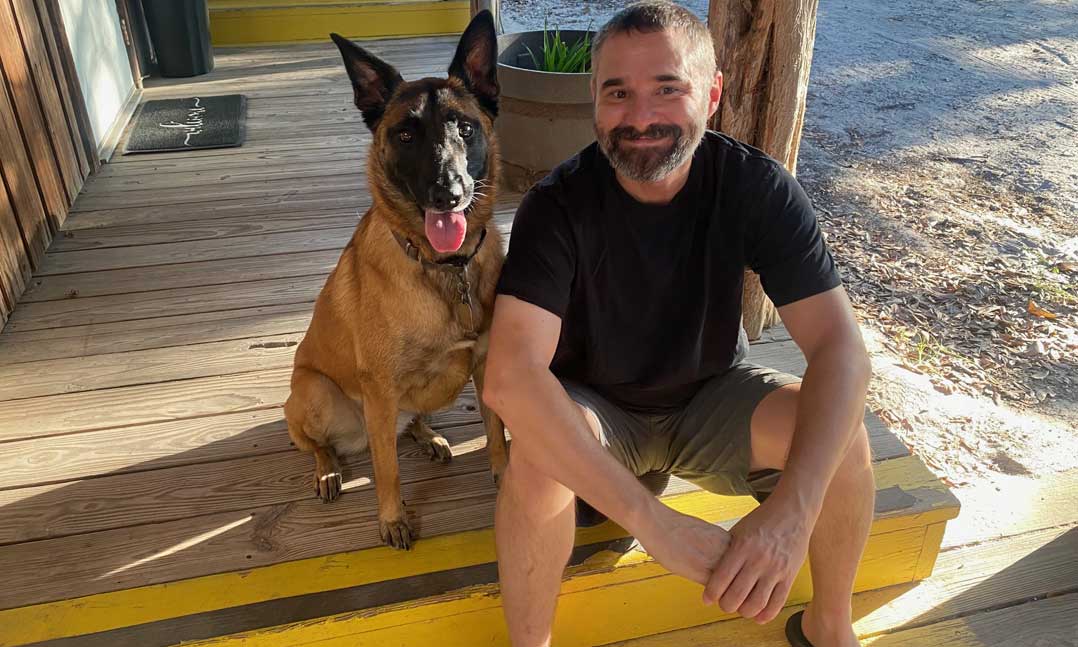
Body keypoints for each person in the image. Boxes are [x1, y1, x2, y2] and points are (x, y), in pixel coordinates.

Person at [481, 3, 874, 646]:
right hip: (599, 408)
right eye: (619, 93)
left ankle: (829, 624)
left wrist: (793, 511)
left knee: (841, 432)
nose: (640, 118)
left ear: (712, 94)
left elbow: (840, 350)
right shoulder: (557, 205)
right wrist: (652, 522)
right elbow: (509, 377)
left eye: (668, 89)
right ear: (594, 103)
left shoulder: (757, 187)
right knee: (537, 455)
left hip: (710, 394)